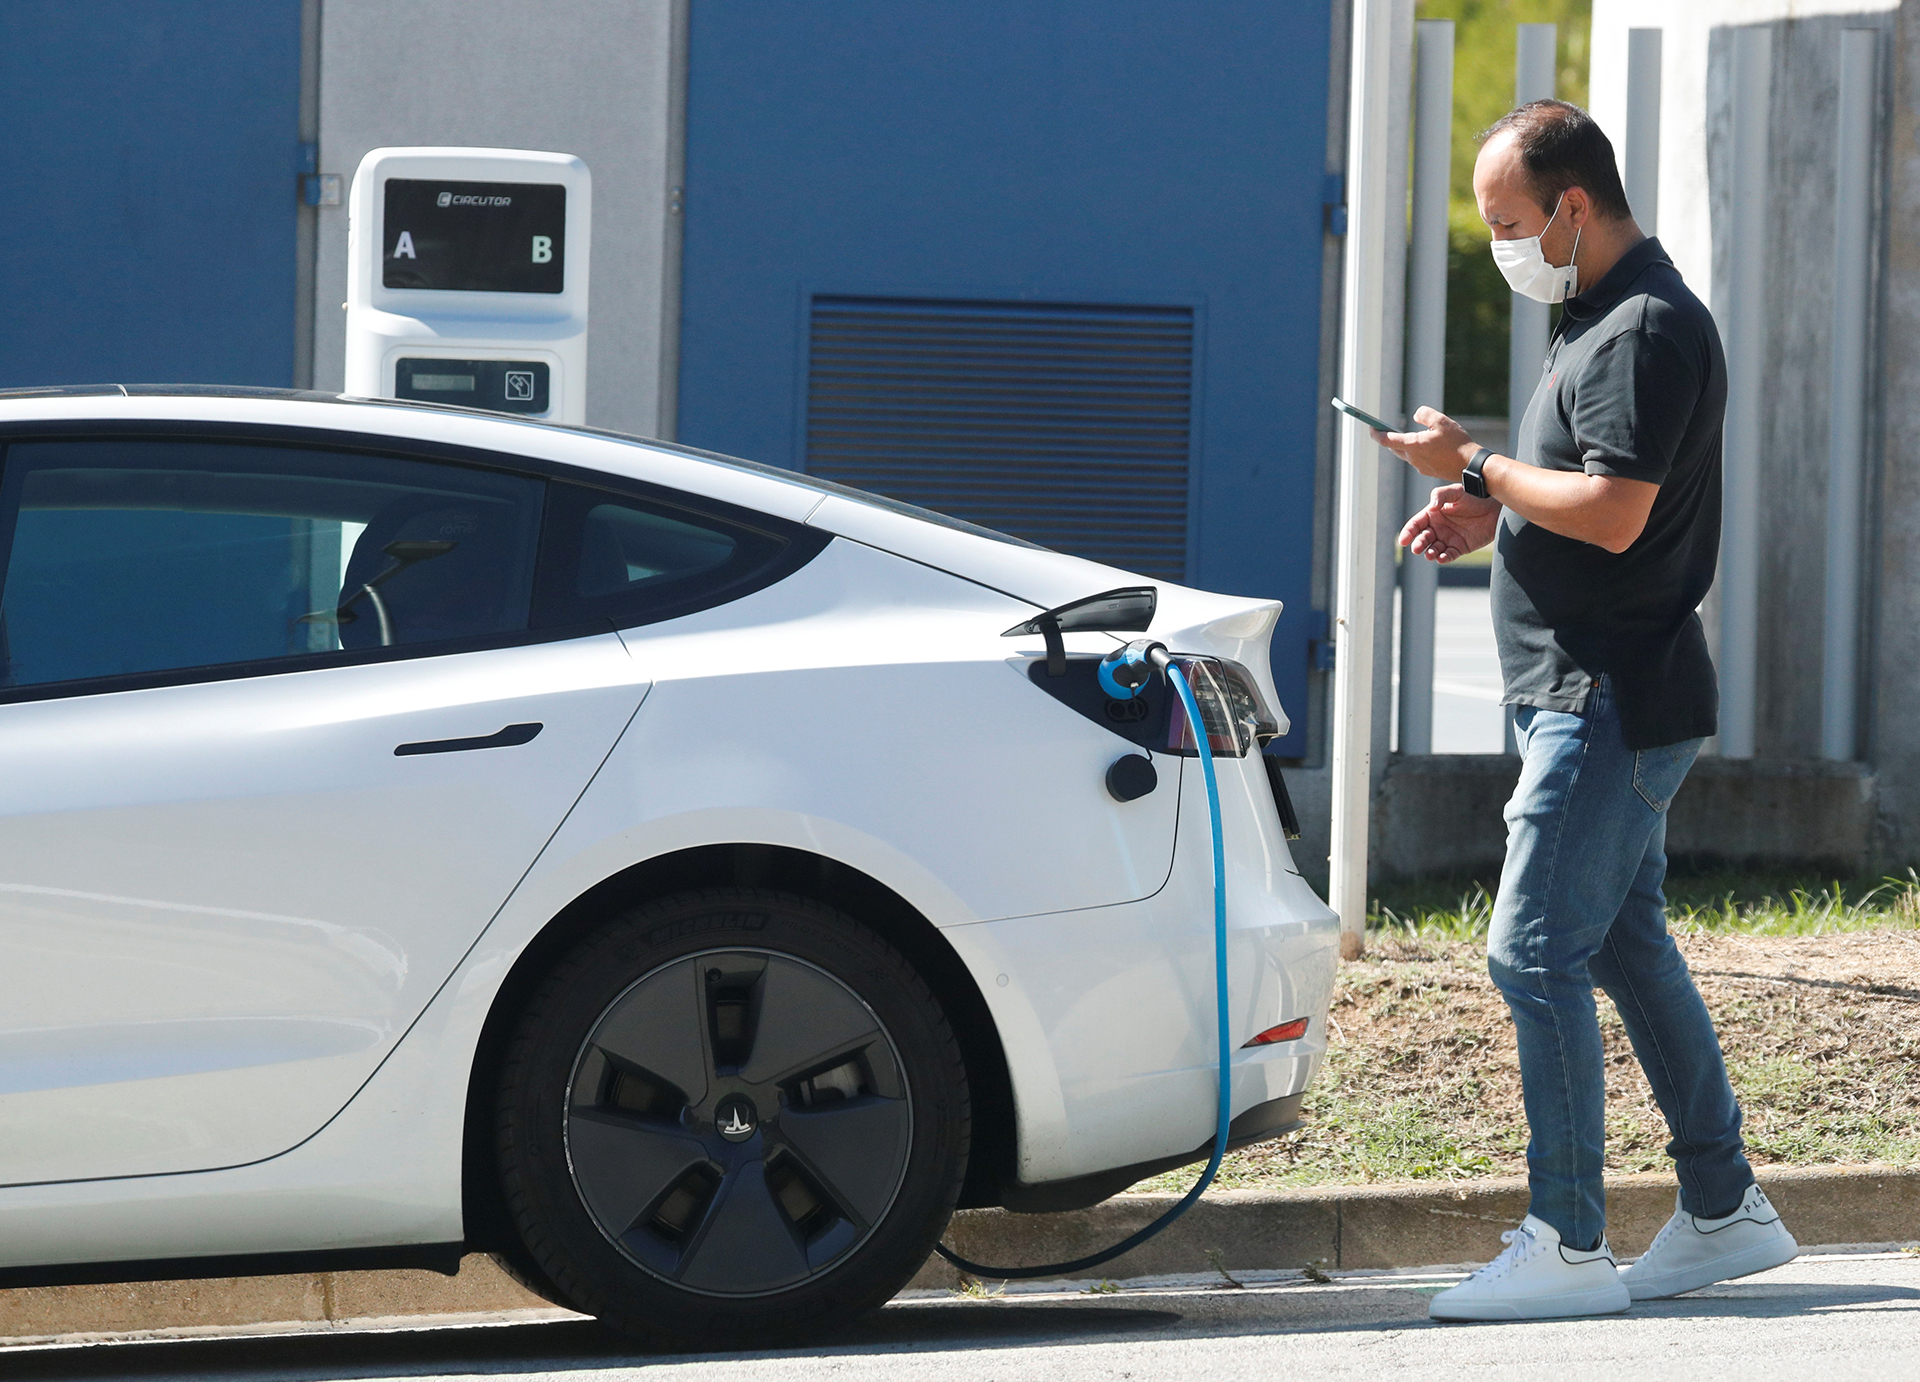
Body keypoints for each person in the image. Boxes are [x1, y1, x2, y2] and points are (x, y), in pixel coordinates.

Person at [1372, 99, 1798, 1322]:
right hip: (1603, 691)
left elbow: (1615, 511)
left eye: (1509, 222)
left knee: (1531, 949)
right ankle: (1724, 1209)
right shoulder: (1601, 314)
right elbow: (1599, 497)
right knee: (1618, 940)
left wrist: (1479, 467)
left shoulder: (1643, 327)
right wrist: (1489, 510)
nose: (1501, 244)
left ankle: (1565, 1238)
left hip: (1604, 699)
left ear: (1572, 205)